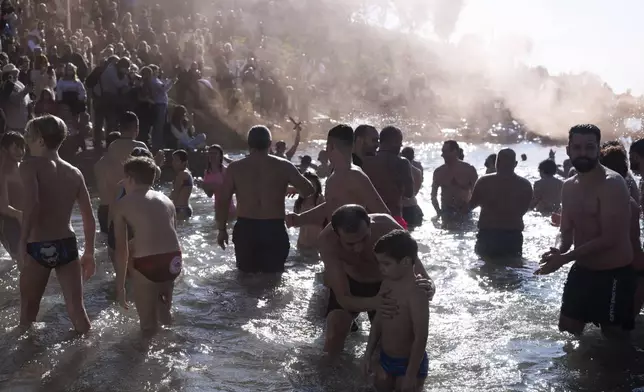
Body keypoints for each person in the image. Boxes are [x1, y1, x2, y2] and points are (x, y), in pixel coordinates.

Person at [536, 124, 635, 339]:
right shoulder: (569, 185)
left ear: (598, 150)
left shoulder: (613, 184)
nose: (583, 153)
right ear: (568, 150)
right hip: (583, 269)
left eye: (589, 147)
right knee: (567, 331)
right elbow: (566, 230)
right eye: (577, 147)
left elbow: (611, 238)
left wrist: (563, 259)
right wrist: (558, 250)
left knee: (614, 340)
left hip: (614, 273)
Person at [319, 205, 434, 359]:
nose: (359, 247)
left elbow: (420, 272)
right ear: (337, 235)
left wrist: (429, 287)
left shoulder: (387, 227)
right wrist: (376, 302)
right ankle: (328, 380)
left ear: (370, 224)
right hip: (351, 283)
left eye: (364, 238)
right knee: (334, 332)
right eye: (350, 244)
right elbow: (344, 298)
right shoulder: (327, 241)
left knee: (390, 345)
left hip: (385, 284)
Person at [19, 115, 96, 334]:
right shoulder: (74, 172)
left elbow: (32, 204)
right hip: (67, 245)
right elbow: (88, 216)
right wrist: (89, 252)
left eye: (28, 136)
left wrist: (22, 241)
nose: (25, 141)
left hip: (38, 244)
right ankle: (86, 356)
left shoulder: (29, 166)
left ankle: (22, 365)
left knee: (28, 313)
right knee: (77, 310)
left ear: (40, 140)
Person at [216, 125, 315, 273]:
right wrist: (289, 188)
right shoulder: (284, 166)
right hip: (273, 228)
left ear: (249, 144)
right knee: (274, 279)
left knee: (245, 279)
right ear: (270, 144)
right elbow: (308, 190)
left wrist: (222, 229)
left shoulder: (235, 168)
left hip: (246, 228)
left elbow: (223, 200)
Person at [112, 157, 182, 335]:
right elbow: (169, 233)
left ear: (130, 179)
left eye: (124, 178)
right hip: (173, 261)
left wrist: (120, 287)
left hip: (149, 262)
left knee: (147, 326)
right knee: (164, 314)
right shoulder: (166, 200)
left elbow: (121, 251)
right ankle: (170, 347)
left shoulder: (122, 204)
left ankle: (148, 361)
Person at [362, 230, 429, 392]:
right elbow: (378, 320)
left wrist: (411, 374)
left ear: (406, 262)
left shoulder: (417, 292)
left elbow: (421, 336)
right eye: (379, 263)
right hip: (387, 358)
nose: (380, 268)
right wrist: (368, 353)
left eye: (386, 264)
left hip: (409, 363)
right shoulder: (387, 284)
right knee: (380, 386)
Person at [287, 124, 390, 229]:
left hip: (352, 243)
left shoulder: (355, 175)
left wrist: (359, 232)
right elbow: (330, 206)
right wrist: (298, 219)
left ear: (331, 146)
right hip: (337, 240)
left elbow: (384, 215)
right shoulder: (335, 175)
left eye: (327, 146)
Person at [597, 144, 644, 317]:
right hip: (629, 259)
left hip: (623, 262)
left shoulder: (624, 196)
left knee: (617, 323)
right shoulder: (632, 188)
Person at [469, 149, 533, 259]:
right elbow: (523, 211)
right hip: (512, 236)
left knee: (485, 271)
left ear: (496, 163)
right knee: (512, 271)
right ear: (515, 164)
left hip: (488, 236)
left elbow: (470, 206)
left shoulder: (484, 181)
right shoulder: (525, 185)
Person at [362, 126, 414, 229]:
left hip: (370, 219)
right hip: (394, 219)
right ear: (393, 141)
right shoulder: (402, 162)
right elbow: (409, 193)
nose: (400, 146)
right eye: (399, 142)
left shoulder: (366, 162)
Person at [431, 140, 478, 222]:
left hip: (465, 212)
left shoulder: (469, 170)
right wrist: (439, 212)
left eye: (445, 152)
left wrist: (468, 207)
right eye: (442, 152)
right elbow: (433, 195)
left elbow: (478, 194)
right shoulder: (439, 172)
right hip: (446, 212)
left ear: (455, 152)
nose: (442, 155)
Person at [0, 131, 24, 261]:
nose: (20, 151)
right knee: (21, 259)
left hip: (25, 219)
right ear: (5, 149)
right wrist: (19, 215)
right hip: (8, 222)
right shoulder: (3, 174)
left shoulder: (26, 169)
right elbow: (3, 207)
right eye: (16, 147)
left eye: (22, 147)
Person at [94, 131, 122, 233]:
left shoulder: (99, 163)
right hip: (115, 209)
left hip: (103, 208)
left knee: (105, 240)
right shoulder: (119, 164)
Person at [199, 144, 236, 219]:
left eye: (215, 153)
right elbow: (210, 194)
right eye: (210, 153)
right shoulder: (207, 173)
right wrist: (203, 186)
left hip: (229, 210)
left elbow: (231, 190)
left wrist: (211, 185)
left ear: (220, 156)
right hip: (218, 210)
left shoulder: (225, 171)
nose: (212, 156)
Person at [294, 172, 325, 252]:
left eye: (312, 185)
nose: (309, 188)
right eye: (306, 185)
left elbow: (323, 220)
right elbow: (296, 224)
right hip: (301, 243)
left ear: (317, 186)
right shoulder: (299, 202)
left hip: (316, 244)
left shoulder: (319, 200)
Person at [400, 146, 424, 227]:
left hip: (400, 208)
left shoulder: (395, 169)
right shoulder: (417, 171)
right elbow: (415, 192)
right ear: (413, 157)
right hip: (412, 207)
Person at [170, 149, 194, 219]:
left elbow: (175, 193)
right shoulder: (187, 173)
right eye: (173, 160)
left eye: (176, 160)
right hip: (185, 208)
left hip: (180, 210)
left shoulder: (182, 174)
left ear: (184, 162)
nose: (173, 163)